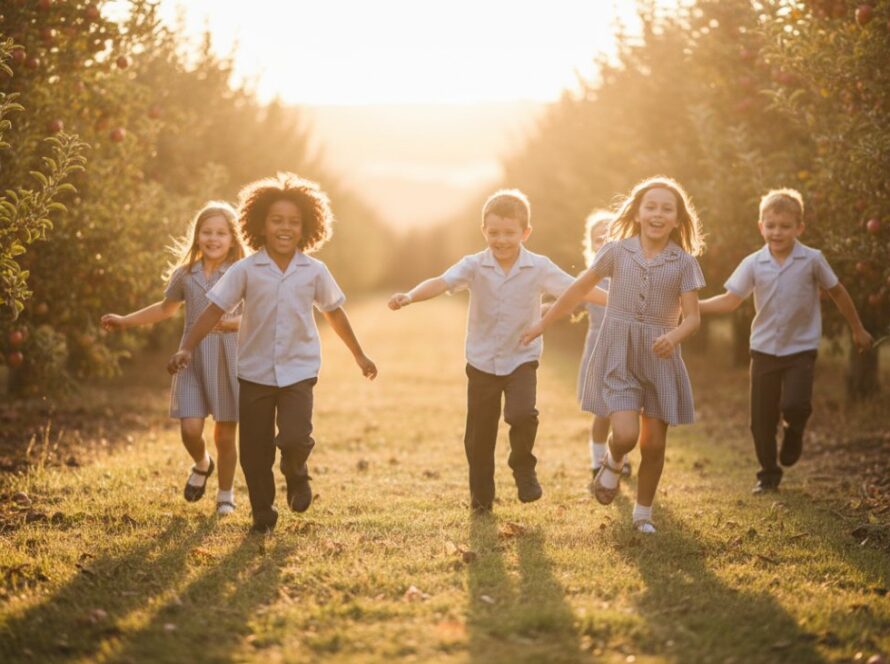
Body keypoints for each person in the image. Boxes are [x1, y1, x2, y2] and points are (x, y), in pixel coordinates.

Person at [168, 173, 377, 533]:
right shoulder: (247, 269)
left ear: (307, 226)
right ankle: (262, 512)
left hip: (299, 370)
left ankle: (297, 475)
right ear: (259, 225)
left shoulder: (314, 270)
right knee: (254, 450)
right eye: (277, 221)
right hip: (254, 372)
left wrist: (359, 355)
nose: (285, 228)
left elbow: (334, 312)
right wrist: (186, 346)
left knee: (295, 437)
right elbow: (214, 310)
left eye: (294, 222)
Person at [388, 189, 606, 513]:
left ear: (525, 232)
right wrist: (410, 295)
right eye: (494, 233)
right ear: (483, 232)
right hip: (481, 361)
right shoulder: (474, 265)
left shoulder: (539, 267)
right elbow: (442, 281)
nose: (501, 240)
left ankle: (523, 467)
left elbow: (579, 289)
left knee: (522, 414)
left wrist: (623, 302)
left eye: (509, 233)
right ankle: (481, 498)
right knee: (479, 436)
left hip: (521, 357)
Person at [522, 176, 706, 533]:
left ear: (678, 219)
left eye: (667, 209)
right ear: (637, 213)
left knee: (654, 445)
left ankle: (643, 515)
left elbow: (694, 317)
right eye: (650, 206)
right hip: (619, 353)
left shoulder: (684, 263)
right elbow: (577, 290)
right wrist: (542, 323)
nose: (657, 214)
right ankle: (613, 458)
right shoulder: (616, 252)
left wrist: (675, 335)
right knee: (625, 435)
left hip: (660, 358)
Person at [699, 188, 873, 494]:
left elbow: (838, 292)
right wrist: (691, 307)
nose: (777, 232)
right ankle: (768, 475)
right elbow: (729, 301)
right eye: (771, 225)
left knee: (795, 404)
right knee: (761, 421)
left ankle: (794, 431)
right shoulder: (753, 263)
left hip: (800, 349)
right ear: (761, 226)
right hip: (763, 349)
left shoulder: (812, 260)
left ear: (799, 228)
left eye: (785, 226)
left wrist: (858, 329)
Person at [102, 202, 247, 515]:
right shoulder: (186, 274)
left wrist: (230, 323)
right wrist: (125, 320)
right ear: (197, 237)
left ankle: (225, 494)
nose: (213, 238)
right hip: (191, 358)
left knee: (225, 435)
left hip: (227, 359)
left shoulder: (240, 273)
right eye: (207, 232)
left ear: (233, 239)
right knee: (190, 430)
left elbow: (258, 316)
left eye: (221, 233)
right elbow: (164, 309)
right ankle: (201, 463)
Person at [577, 210, 631, 489]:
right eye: (599, 239)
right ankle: (598, 460)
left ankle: (618, 456)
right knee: (602, 411)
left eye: (611, 237)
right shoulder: (589, 278)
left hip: (627, 351)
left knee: (625, 410)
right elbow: (567, 302)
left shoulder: (631, 274)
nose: (605, 242)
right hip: (598, 350)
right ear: (591, 245)